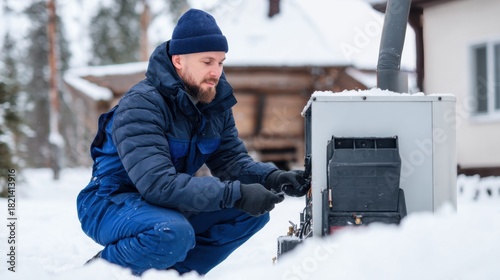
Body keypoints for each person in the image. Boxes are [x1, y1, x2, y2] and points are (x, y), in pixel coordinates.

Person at [76, 8, 309, 276]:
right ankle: (98, 273)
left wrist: (274, 177)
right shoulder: (142, 105)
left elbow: (231, 161)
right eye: (207, 62)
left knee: (247, 214)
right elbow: (158, 184)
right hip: (109, 201)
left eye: (221, 62)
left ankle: (174, 274)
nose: (216, 72)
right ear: (178, 61)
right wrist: (236, 193)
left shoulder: (213, 103)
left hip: (159, 204)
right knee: (171, 233)